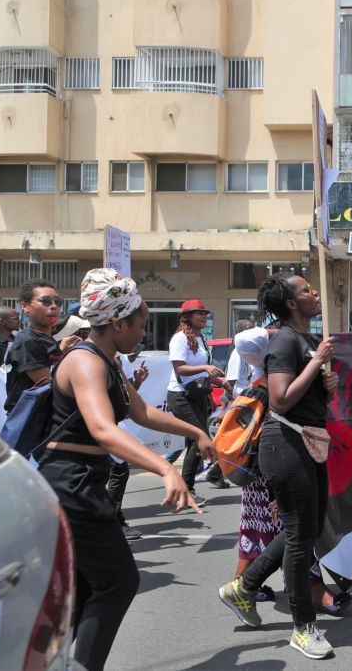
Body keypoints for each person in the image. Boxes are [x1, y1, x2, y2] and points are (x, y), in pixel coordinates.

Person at [38, 268, 215, 671]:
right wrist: (164, 470)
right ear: (117, 323)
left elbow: (142, 411)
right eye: (141, 324)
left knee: (87, 587)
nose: (143, 333)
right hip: (70, 483)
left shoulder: (108, 359)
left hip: (82, 481)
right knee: (119, 582)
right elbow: (102, 429)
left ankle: (61, 663)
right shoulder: (85, 362)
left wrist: (196, 431)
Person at [217, 275, 340, 660]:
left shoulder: (302, 340)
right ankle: (303, 627)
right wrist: (316, 362)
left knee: (306, 529)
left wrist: (326, 384)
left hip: (307, 442)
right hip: (285, 443)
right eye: (306, 291)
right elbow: (281, 400)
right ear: (290, 303)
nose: (314, 293)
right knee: (301, 536)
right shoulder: (285, 341)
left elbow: (303, 395)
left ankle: (243, 586)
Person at [167, 299, 227, 505]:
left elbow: (205, 373)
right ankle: (186, 489)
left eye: (205, 313)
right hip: (180, 396)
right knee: (198, 439)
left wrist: (223, 385)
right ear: (187, 318)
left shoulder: (200, 339)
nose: (204, 316)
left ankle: (185, 488)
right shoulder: (179, 338)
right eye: (198, 313)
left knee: (196, 440)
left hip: (198, 395)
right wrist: (205, 369)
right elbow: (180, 368)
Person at [107, 345, 150, 542]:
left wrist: (136, 381)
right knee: (115, 470)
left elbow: (124, 398)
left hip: (113, 424)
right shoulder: (91, 357)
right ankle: (113, 523)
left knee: (118, 470)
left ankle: (114, 522)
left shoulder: (116, 358)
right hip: (100, 428)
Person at [5, 280, 66, 414]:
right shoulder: (28, 341)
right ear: (25, 306)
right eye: (46, 301)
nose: (54, 306)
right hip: (32, 425)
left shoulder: (46, 339)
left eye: (58, 302)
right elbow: (49, 387)